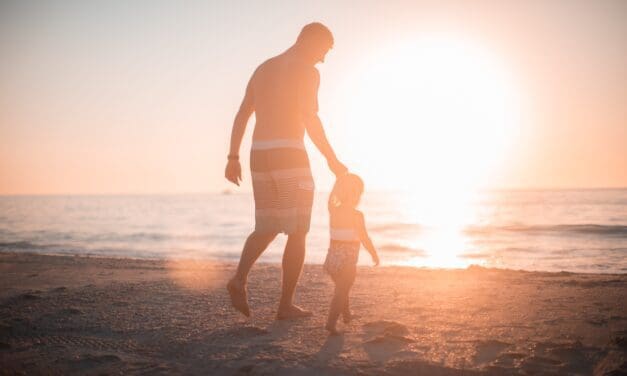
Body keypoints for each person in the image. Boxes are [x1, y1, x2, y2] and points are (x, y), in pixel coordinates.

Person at [224, 22, 348, 320]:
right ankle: (285, 306)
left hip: (259, 155)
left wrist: (232, 156)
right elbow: (310, 119)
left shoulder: (264, 68)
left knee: (267, 226)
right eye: (324, 50)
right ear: (310, 41)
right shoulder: (307, 71)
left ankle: (239, 278)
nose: (323, 59)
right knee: (298, 230)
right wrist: (332, 159)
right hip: (289, 154)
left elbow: (243, 113)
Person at [324, 174, 379, 335]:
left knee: (342, 287)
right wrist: (373, 253)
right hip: (347, 259)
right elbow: (364, 237)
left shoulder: (333, 210)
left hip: (332, 259)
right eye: (359, 194)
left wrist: (337, 180)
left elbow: (330, 198)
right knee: (341, 291)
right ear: (356, 195)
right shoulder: (357, 215)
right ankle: (331, 322)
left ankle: (347, 315)